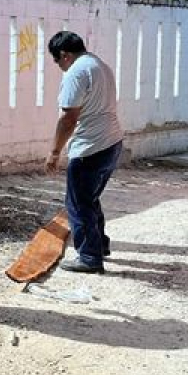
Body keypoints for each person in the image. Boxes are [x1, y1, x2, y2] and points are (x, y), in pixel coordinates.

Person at [46, 31, 124, 274]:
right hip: (112, 142)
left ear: (64, 55)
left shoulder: (76, 72)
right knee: (89, 198)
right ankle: (99, 245)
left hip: (90, 147)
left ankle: (89, 257)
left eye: (57, 61)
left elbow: (68, 117)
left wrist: (54, 152)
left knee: (78, 203)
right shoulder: (100, 65)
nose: (58, 66)